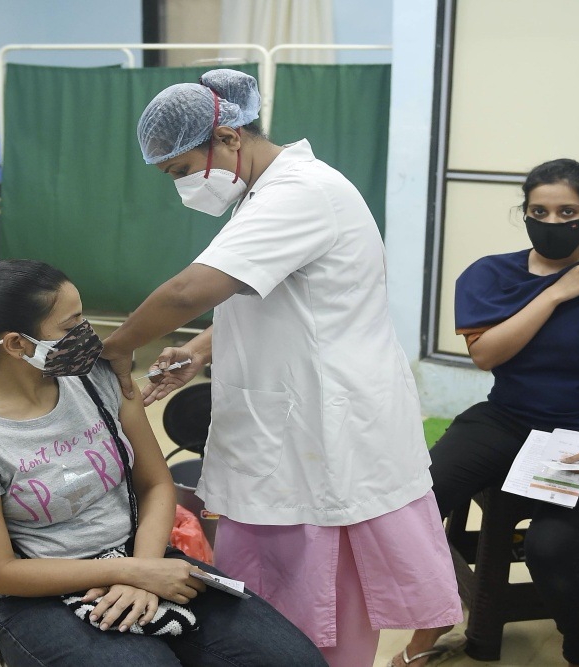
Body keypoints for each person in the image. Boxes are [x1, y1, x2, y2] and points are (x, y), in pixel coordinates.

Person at [100, 69, 462, 666]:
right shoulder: (262, 195)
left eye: (182, 171)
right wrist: (199, 351)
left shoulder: (300, 192)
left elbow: (191, 289)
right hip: (287, 423)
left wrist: (116, 347)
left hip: (324, 426)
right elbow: (273, 298)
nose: (182, 187)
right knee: (278, 602)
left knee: (323, 603)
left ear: (228, 137)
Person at [0, 260, 325, 667]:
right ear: (16, 344)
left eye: (83, 317)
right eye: (70, 326)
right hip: (40, 597)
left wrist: (145, 568)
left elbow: (156, 484)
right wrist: (135, 573)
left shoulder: (99, 380)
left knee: (296, 660)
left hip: (143, 558)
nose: (88, 334)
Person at [392, 159, 579, 667]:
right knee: (410, 504)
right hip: (510, 418)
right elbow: (487, 355)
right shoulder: (491, 274)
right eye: (539, 210)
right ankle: (436, 615)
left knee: (549, 544)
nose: (551, 220)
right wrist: (558, 291)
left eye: (568, 211)